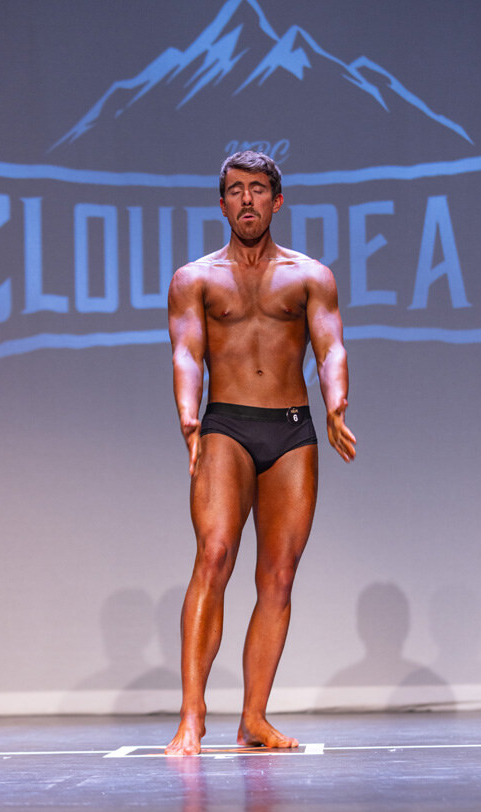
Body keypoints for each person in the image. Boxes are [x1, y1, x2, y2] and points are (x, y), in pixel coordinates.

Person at [165, 151, 356, 756]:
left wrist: (336, 401)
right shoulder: (195, 278)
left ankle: (253, 718)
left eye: (257, 189)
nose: (247, 199)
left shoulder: (310, 276)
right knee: (214, 554)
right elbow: (186, 351)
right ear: (221, 203)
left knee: (278, 575)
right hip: (226, 425)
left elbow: (330, 346)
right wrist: (188, 413)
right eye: (235, 190)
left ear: (278, 200)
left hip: (292, 430)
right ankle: (192, 714)